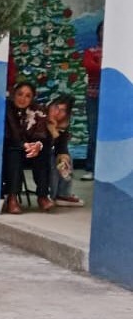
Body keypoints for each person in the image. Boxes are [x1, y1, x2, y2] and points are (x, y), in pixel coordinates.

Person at [1, 82, 52, 214]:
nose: (22, 99)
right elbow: (9, 135)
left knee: (43, 152)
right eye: (20, 94)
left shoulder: (38, 110)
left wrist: (37, 146)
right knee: (14, 153)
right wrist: (23, 145)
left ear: (32, 98)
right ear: (14, 94)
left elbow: (42, 134)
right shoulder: (6, 108)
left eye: (28, 96)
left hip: (30, 150)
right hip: (12, 148)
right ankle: (12, 198)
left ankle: (42, 196)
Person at [46, 95, 82, 207]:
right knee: (52, 159)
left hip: (49, 152)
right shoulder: (40, 117)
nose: (57, 113)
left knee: (65, 159)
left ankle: (62, 194)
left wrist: (63, 156)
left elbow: (61, 146)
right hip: (33, 153)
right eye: (56, 108)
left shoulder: (62, 125)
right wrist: (52, 130)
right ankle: (52, 194)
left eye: (62, 111)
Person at [82, 21, 103, 179]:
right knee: (93, 132)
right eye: (102, 29)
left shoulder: (119, 53)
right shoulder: (91, 51)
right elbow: (90, 67)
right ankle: (91, 168)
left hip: (113, 99)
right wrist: (100, 65)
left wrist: (99, 64)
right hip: (93, 96)